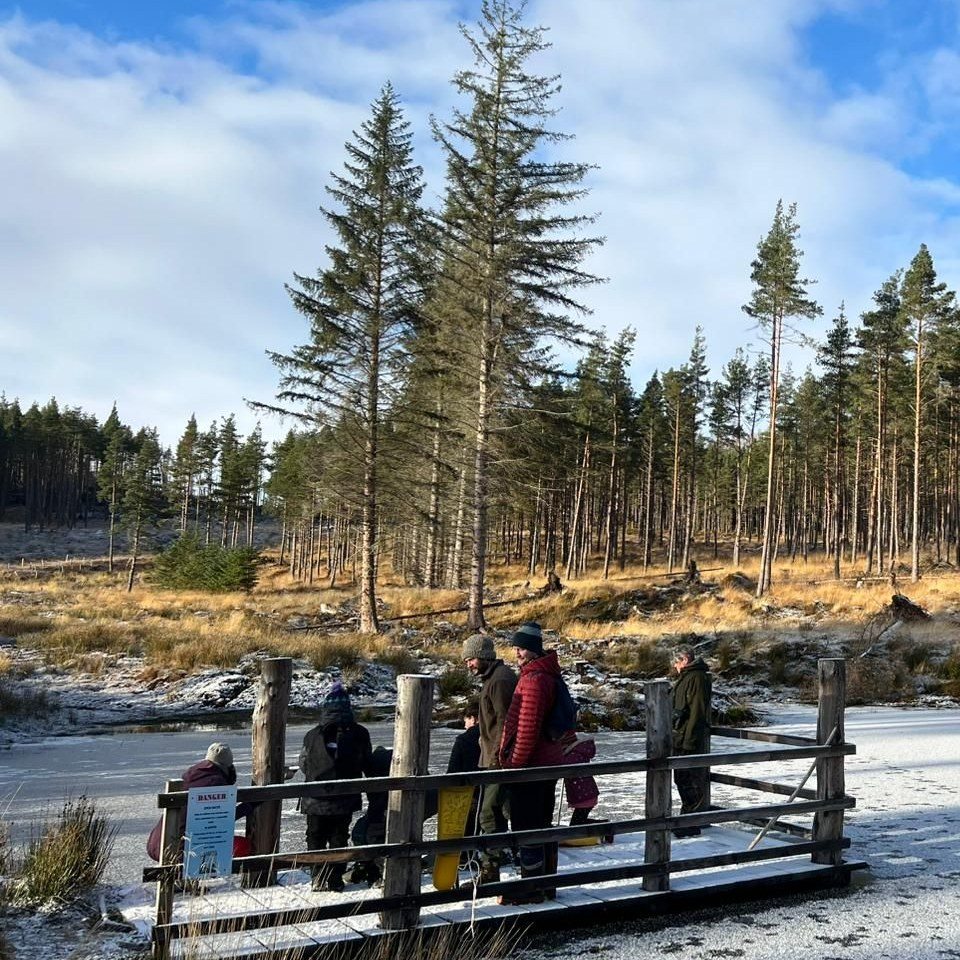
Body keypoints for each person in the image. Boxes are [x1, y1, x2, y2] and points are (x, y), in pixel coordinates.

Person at [498, 621, 573, 905]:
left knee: (527, 824)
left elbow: (527, 727)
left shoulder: (533, 679)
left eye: (520, 648)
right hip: (548, 761)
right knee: (540, 823)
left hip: (532, 765)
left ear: (531, 650)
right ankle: (542, 884)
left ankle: (531, 887)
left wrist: (513, 764)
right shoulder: (547, 674)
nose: (516, 653)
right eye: (516, 648)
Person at [299, 682, 373, 891]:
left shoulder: (312, 735)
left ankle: (318, 877)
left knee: (315, 835)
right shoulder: (360, 733)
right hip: (346, 797)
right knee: (339, 836)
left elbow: (304, 764)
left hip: (315, 797)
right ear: (348, 707)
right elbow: (367, 761)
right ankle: (335, 878)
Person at [462, 633, 516, 885]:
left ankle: (490, 870)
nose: (468, 665)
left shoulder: (500, 681)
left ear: (483, 656)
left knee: (488, 813)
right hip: (491, 758)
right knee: (498, 811)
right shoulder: (492, 679)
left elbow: (506, 723)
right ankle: (499, 861)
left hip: (498, 761)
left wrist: (496, 757)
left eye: (471, 659)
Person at [146, 742, 255, 863]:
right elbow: (221, 818)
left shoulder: (192, 775)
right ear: (228, 767)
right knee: (244, 846)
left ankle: (192, 879)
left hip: (156, 844)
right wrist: (251, 805)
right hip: (178, 850)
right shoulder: (216, 782)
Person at [671, 645, 713, 837]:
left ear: (685, 660)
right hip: (680, 737)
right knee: (681, 778)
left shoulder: (696, 678)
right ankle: (686, 821)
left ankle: (690, 822)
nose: (674, 666)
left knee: (690, 781)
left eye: (676, 662)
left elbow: (697, 711)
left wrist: (690, 740)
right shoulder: (687, 677)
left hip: (688, 739)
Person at [344, 745, 392, 887]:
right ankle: (367, 866)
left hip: (391, 804)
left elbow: (378, 798)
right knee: (363, 831)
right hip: (386, 803)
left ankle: (381, 872)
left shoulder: (373, 765)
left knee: (371, 833)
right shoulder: (381, 763)